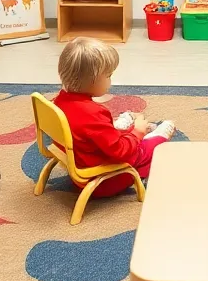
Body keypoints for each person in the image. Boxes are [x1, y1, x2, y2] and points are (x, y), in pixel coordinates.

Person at [53, 37, 175, 197]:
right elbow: (120, 151)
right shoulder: (93, 113)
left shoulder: (60, 101)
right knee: (148, 147)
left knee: (122, 132)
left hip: (81, 160)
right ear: (92, 81)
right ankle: (157, 135)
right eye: (109, 75)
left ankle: (124, 126)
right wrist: (138, 133)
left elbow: (90, 132)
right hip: (103, 180)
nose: (111, 80)